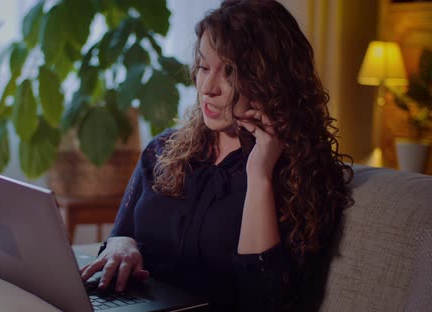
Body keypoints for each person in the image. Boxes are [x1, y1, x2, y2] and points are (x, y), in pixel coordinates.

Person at [80, 0, 354, 310]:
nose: (208, 87)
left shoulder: (304, 176)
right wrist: (121, 247)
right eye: (204, 67)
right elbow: (121, 233)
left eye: (230, 72)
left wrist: (260, 175)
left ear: (272, 80)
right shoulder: (162, 150)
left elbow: (266, 300)